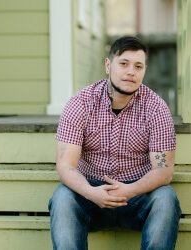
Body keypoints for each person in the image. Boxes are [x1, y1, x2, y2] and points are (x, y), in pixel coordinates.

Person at [48, 36, 181, 250]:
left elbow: (163, 170)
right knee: (63, 198)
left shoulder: (156, 107)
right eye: (124, 64)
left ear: (144, 70)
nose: (131, 72)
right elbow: (66, 166)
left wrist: (130, 190)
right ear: (108, 65)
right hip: (89, 195)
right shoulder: (81, 103)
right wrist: (91, 192)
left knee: (166, 197)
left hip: (136, 197)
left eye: (138, 66)